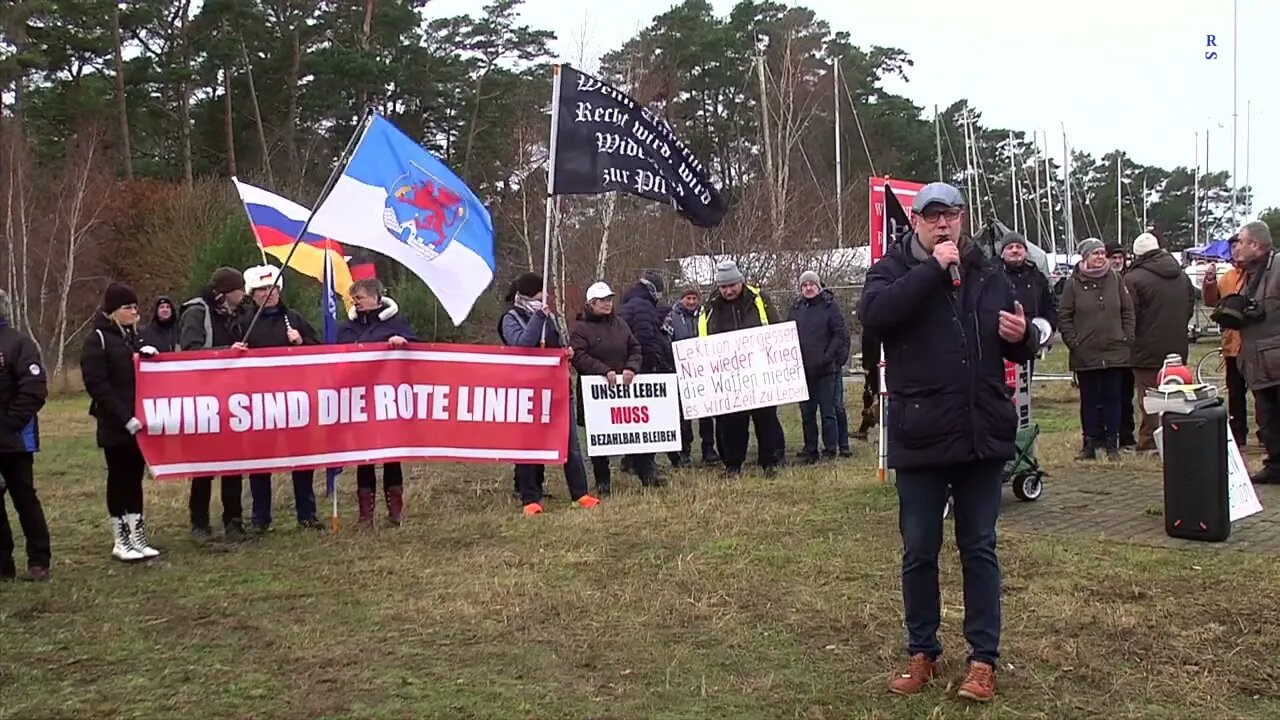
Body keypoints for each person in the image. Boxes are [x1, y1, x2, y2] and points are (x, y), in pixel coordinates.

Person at [859, 182, 1037, 703]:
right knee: (919, 549)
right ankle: (923, 651)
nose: (944, 224)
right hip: (922, 433)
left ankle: (983, 659)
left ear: (962, 218)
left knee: (979, 548)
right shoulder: (891, 271)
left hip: (982, 432)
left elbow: (1021, 337)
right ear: (915, 222)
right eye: (933, 216)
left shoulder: (987, 271)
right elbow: (877, 317)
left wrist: (1023, 336)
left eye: (952, 215)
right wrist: (933, 270)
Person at [499, 272, 600, 515]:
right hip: (528, 392)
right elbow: (521, 345)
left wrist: (566, 352)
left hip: (557, 390)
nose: (545, 299)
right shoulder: (510, 318)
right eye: (540, 295)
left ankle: (580, 493)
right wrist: (537, 318)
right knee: (529, 444)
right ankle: (530, 497)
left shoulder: (550, 317)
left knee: (570, 444)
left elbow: (557, 344)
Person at [234, 264, 325, 532]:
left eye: (273, 288)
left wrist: (301, 343)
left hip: (295, 400)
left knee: (301, 457)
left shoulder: (294, 318)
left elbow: (321, 352)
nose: (269, 293)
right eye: (262, 289)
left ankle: (306, 514)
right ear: (253, 294)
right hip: (258, 402)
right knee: (260, 460)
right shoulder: (244, 322)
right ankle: (261, 518)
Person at [80, 283, 161, 562]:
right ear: (114, 311)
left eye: (135, 307)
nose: (134, 312)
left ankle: (137, 533)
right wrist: (123, 416)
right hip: (115, 421)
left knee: (134, 478)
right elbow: (97, 383)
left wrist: (150, 358)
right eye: (128, 308)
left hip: (138, 420)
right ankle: (120, 538)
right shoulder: (98, 339)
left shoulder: (134, 338)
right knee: (118, 477)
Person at [337, 278, 418, 528]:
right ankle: (365, 514)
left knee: (391, 455)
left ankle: (395, 511)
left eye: (359, 297)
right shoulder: (347, 328)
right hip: (359, 398)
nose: (356, 302)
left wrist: (401, 344)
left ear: (376, 297)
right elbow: (334, 356)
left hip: (389, 398)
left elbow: (418, 351)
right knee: (365, 456)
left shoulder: (397, 323)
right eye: (353, 299)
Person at [180, 267, 250, 543]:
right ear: (225, 292)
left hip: (232, 397)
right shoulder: (197, 313)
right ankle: (199, 524)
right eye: (239, 289)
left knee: (233, 463)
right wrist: (225, 353)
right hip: (203, 396)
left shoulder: (238, 315)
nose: (243, 294)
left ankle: (233, 522)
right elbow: (189, 351)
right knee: (204, 465)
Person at [698, 260, 784, 477]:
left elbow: (775, 328)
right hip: (728, 377)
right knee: (732, 424)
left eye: (732, 286)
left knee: (766, 420)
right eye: (723, 287)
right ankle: (733, 465)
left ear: (740, 282)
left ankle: (769, 463)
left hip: (760, 371)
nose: (728, 291)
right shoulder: (710, 306)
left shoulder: (759, 299)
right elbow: (702, 339)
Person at [569, 281, 657, 492]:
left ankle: (646, 473)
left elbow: (635, 348)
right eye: (602, 301)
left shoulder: (620, 324)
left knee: (637, 433)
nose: (607, 304)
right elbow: (579, 356)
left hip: (626, 392)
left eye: (609, 300)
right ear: (591, 303)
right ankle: (603, 482)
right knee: (599, 437)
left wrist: (631, 368)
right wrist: (603, 371)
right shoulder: (580, 328)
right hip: (596, 393)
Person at [1059, 238, 1135, 461]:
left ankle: (1113, 444)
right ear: (1085, 257)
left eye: (1102, 253)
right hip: (1086, 352)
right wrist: (1074, 342)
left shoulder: (1116, 280)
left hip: (1115, 350)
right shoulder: (1072, 284)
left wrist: (1126, 337)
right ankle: (1089, 444)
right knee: (1089, 399)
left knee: (1114, 397)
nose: (1101, 257)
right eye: (1095, 253)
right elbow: (1064, 317)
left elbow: (1128, 312)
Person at [1216, 221, 1280, 483]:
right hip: (1256, 358)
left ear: (1255, 244)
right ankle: (1275, 465)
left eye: (1240, 242)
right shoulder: (1248, 273)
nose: (1236, 247)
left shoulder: (1277, 268)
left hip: (1275, 356)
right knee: (1267, 418)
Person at [1123, 232, 1196, 452]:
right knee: (1174, 391)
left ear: (1137, 254)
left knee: (1149, 394)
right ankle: (1176, 437)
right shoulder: (1181, 276)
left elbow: (1129, 315)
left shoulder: (1133, 279)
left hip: (1145, 346)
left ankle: (1150, 441)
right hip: (1177, 344)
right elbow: (1189, 306)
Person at [0, 289, 51, 582]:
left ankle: (39, 559)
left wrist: (10, 422)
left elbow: (34, 387)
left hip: (16, 438)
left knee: (24, 497)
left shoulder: (18, 343)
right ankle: (3, 563)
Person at [787, 270, 850, 462]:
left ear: (818, 286)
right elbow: (788, 333)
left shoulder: (829, 307)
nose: (808, 288)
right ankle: (810, 448)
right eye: (804, 285)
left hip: (825, 370)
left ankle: (830, 449)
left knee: (828, 412)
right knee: (807, 413)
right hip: (803, 370)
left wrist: (827, 357)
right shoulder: (796, 308)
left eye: (811, 284)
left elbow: (840, 334)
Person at [619, 271, 674, 476]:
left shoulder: (627, 304)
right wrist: (653, 365)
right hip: (642, 369)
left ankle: (631, 459)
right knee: (647, 419)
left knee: (632, 419)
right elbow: (645, 340)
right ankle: (645, 465)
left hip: (627, 366)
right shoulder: (643, 307)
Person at [1201, 237, 1254, 446]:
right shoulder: (1228, 277)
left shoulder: (1257, 275)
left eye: (1238, 246)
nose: (1235, 250)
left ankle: (1265, 433)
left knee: (1262, 391)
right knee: (1235, 391)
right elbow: (1211, 301)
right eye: (1232, 247)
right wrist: (1210, 282)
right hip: (1232, 344)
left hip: (1252, 342)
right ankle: (1238, 431)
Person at [668, 286, 719, 464]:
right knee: (683, 415)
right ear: (682, 299)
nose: (691, 302)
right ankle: (684, 451)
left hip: (703, 371)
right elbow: (667, 341)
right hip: (680, 372)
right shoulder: (672, 317)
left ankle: (708, 449)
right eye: (688, 299)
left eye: (694, 299)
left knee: (706, 413)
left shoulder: (706, 315)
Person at [998, 232, 1057, 378]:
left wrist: (1048, 328)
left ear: (1025, 252)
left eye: (1019, 247)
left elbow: (1050, 305)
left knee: (1024, 389)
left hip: (1028, 341)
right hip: (999, 343)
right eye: (1010, 247)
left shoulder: (1037, 277)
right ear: (1002, 253)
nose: (1015, 250)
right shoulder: (991, 275)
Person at [1106, 243, 1138, 450]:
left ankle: (1126, 434)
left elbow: (1131, 312)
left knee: (1126, 393)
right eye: (1114, 257)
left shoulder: (1129, 280)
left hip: (1124, 346)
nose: (1117, 261)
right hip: (1101, 346)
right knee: (1105, 394)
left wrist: (1128, 336)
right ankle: (1105, 435)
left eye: (1121, 257)